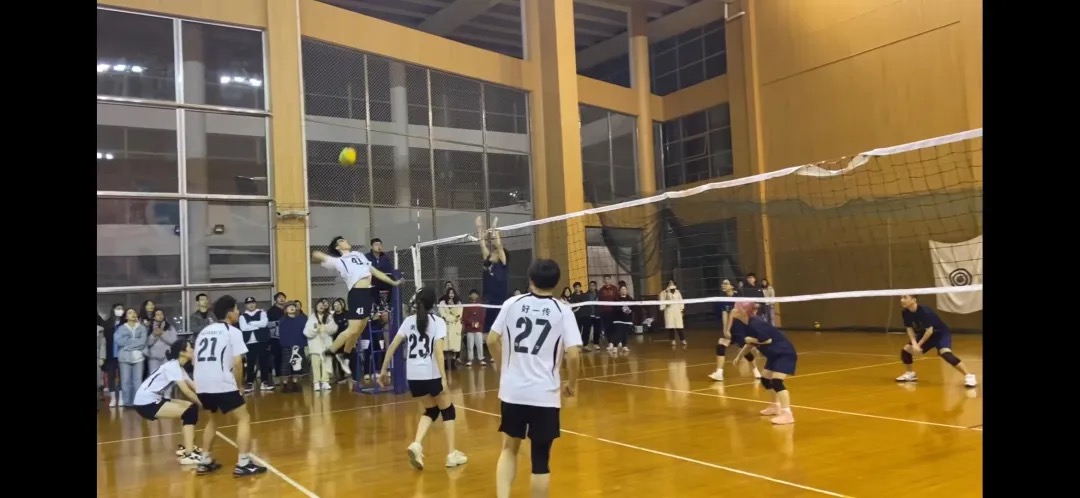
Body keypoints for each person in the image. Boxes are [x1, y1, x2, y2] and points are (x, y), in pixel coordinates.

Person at [486, 259, 583, 498]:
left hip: (513, 392)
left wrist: (504, 368)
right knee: (540, 460)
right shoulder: (563, 310)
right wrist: (572, 385)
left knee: (508, 449)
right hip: (545, 395)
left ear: (530, 279)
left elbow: (491, 340)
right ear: (556, 282)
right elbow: (573, 354)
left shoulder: (512, 303)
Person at [378, 287, 468, 470]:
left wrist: (383, 370)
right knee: (448, 410)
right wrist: (443, 378)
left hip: (413, 376)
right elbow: (438, 350)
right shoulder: (437, 322)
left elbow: (392, 345)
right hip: (431, 373)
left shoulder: (408, 321)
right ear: (433, 304)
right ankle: (451, 454)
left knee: (432, 410)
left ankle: (417, 444)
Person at [193, 295, 267, 477]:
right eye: (236, 309)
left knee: (213, 420)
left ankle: (205, 460)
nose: (238, 312)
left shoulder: (204, 331)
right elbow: (238, 362)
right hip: (221, 381)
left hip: (201, 382)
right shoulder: (232, 331)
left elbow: (195, 360)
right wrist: (239, 386)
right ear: (229, 313)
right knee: (243, 418)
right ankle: (243, 463)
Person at [313, 236, 403, 355]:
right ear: (338, 247)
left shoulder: (358, 254)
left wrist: (393, 282)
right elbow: (317, 254)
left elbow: (375, 272)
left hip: (367, 293)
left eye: (345, 239)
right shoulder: (339, 261)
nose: (346, 241)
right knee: (353, 329)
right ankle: (329, 352)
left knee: (359, 329)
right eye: (341, 241)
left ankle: (346, 354)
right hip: (357, 294)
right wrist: (316, 256)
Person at [132, 340, 206, 465]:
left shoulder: (178, 366)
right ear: (182, 352)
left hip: (152, 398)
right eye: (190, 347)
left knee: (191, 407)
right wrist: (204, 404)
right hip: (146, 402)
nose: (193, 350)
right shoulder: (173, 367)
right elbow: (187, 392)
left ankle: (189, 447)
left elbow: (194, 386)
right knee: (190, 411)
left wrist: (211, 396)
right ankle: (189, 454)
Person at [731, 302, 797, 425]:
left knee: (777, 382)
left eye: (736, 308)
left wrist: (750, 339)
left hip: (784, 353)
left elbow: (767, 340)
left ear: (744, 312)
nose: (733, 310)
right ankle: (775, 406)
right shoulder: (744, 324)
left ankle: (787, 414)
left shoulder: (756, 323)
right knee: (766, 380)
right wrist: (739, 357)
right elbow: (750, 344)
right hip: (773, 356)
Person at [894, 295, 977, 388]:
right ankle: (910, 374)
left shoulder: (924, 311)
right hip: (925, 334)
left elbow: (929, 330)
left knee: (946, 354)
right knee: (906, 350)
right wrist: (914, 344)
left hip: (940, 334)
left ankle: (969, 375)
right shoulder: (905, 312)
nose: (902, 300)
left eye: (905, 298)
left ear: (914, 300)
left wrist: (919, 345)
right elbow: (909, 329)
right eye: (901, 298)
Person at [708, 280, 760, 382]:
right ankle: (719, 372)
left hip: (740, 328)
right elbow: (724, 314)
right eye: (722, 284)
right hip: (729, 327)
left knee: (744, 350)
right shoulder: (722, 299)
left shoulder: (738, 298)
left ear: (732, 286)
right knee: (720, 346)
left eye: (726, 284)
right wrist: (725, 330)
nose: (723, 285)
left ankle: (755, 369)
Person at [476, 216, 510, 334]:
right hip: (487, 300)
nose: (493, 253)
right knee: (487, 331)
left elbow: (499, 246)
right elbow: (482, 244)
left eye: (495, 253)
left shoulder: (503, 264)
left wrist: (494, 230)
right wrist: (479, 228)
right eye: (493, 252)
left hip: (499, 301)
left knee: (500, 331)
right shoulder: (488, 261)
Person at [240, 297, 274, 393]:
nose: (251, 305)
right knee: (250, 363)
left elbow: (264, 324)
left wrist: (251, 323)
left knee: (264, 362)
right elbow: (244, 328)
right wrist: (257, 326)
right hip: (250, 343)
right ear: (246, 305)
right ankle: (249, 382)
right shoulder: (243, 316)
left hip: (262, 341)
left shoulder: (262, 313)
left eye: (253, 303)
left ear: (255, 303)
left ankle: (265, 382)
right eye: (249, 303)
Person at [116, 308, 148, 407]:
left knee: (137, 381)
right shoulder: (121, 328)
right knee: (125, 381)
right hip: (124, 358)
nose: (133, 314)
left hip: (139, 358)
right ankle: (127, 402)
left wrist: (128, 346)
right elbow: (119, 341)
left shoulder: (142, 328)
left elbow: (142, 341)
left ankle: (137, 402)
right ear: (126, 317)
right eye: (130, 313)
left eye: (134, 312)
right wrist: (135, 342)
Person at [305, 298, 339, 392]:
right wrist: (315, 329)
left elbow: (334, 328)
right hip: (315, 344)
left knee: (326, 364)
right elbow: (307, 332)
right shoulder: (312, 317)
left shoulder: (329, 317)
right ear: (316, 307)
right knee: (315, 364)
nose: (321, 306)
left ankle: (325, 381)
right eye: (319, 305)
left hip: (326, 344)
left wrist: (326, 327)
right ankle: (316, 382)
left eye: (323, 305)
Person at [438, 288, 463, 370]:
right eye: (449, 293)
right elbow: (443, 314)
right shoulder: (442, 303)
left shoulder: (458, 303)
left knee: (453, 346)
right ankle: (445, 362)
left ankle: (453, 362)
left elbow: (458, 315)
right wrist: (450, 318)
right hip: (445, 326)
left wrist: (452, 307)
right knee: (445, 346)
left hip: (455, 327)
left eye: (452, 293)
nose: (451, 295)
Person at [462, 289, 486, 366]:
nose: (474, 295)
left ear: (478, 295)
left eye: (475, 294)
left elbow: (482, 316)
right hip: (470, 328)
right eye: (472, 294)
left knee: (479, 344)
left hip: (478, 328)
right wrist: (471, 323)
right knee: (470, 344)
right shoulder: (467, 306)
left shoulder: (481, 305)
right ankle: (470, 359)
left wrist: (477, 323)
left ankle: (481, 359)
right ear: (469, 295)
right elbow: (464, 316)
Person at [660, 279, 686, 348]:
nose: (671, 284)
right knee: (671, 326)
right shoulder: (663, 293)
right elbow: (661, 303)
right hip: (669, 311)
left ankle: (683, 339)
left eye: (672, 283)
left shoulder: (678, 292)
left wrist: (682, 310)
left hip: (677, 311)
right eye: (670, 283)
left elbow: (681, 301)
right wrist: (665, 304)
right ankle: (673, 340)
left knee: (679, 326)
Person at [608, 285, 635, 354]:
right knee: (618, 333)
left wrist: (630, 310)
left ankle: (624, 346)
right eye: (622, 289)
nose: (623, 291)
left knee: (625, 333)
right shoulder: (616, 299)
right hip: (618, 319)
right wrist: (622, 309)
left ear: (627, 290)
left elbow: (633, 308)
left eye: (625, 289)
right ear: (619, 291)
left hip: (627, 319)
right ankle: (615, 347)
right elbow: (614, 308)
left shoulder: (630, 299)